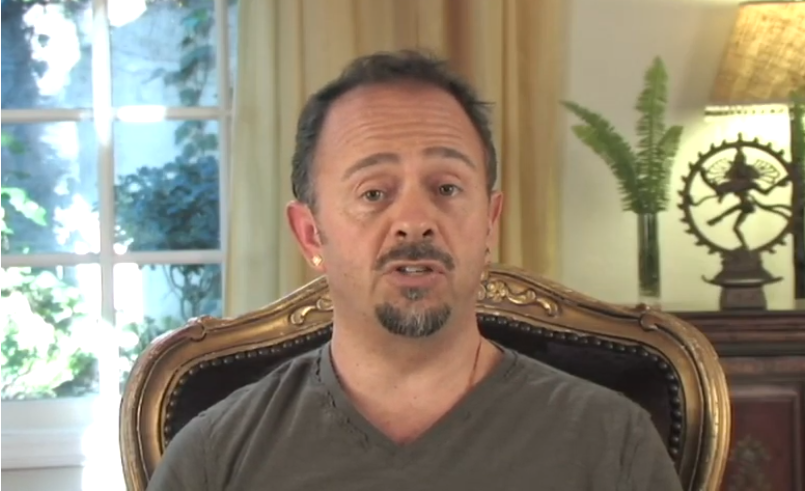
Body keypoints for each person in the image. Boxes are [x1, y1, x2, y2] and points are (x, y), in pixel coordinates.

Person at [146, 49, 684, 491]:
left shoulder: (612, 444)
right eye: (373, 193)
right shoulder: (214, 459)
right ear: (311, 235)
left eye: (446, 187)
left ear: (489, 222)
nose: (414, 222)